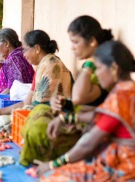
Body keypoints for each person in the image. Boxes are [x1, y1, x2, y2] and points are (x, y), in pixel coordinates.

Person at [32, 40, 135, 182]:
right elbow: (101, 116)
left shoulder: (121, 96)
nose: (97, 74)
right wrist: (66, 118)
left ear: (114, 68)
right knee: (64, 171)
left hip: (129, 172)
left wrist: (53, 164)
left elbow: (88, 144)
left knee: (49, 180)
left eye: (99, 68)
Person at [18, 15, 114, 166]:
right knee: (39, 111)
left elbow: (81, 99)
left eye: (76, 42)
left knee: (39, 128)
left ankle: (45, 158)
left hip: (92, 131)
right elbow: (84, 102)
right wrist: (64, 105)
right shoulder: (92, 65)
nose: (72, 47)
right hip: (82, 118)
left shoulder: (101, 67)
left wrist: (90, 63)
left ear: (92, 42)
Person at [0, 30, 73, 131]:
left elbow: (42, 105)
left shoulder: (51, 65)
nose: (23, 54)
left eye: (25, 50)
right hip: (44, 113)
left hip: (59, 118)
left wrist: (12, 119)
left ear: (37, 49)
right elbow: (26, 102)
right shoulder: (41, 67)